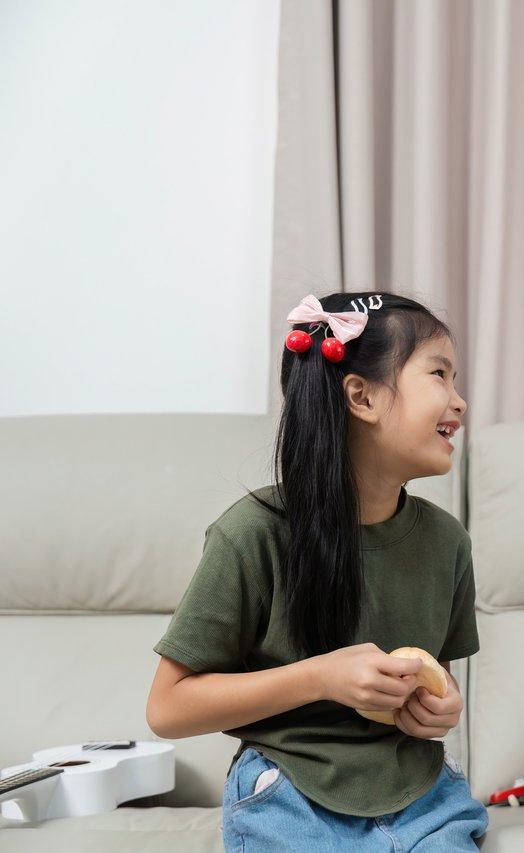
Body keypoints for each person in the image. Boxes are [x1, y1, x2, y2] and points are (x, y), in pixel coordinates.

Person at [146, 292, 487, 851]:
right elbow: (168, 709)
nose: (459, 401)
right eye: (439, 375)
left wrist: (439, 704)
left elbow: (437, 674)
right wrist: (320, 677)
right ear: (362, 395)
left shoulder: (446, 543)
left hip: (424, 796)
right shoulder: (252, 533)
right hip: (288, 796)